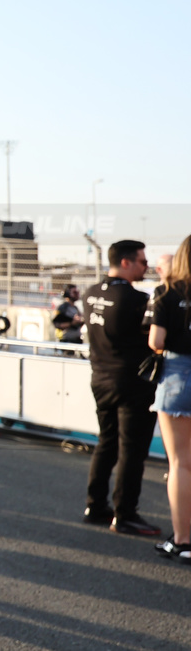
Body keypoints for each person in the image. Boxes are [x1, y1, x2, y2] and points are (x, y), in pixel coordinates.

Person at [81, 240, 160, 535]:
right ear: (125, 262)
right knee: (132, 449)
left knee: (107, 442)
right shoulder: (135, 299)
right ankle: (125, 514)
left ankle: (94, 504)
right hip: (131, 382)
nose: (146, 266)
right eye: (142, 261)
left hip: (99, 377)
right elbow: (155, 339)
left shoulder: (89, 294)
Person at [150, 236, 191, 561]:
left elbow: (156, 340)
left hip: (178, 375)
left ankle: (182, 540)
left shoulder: (166, 292)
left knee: (180, 464)